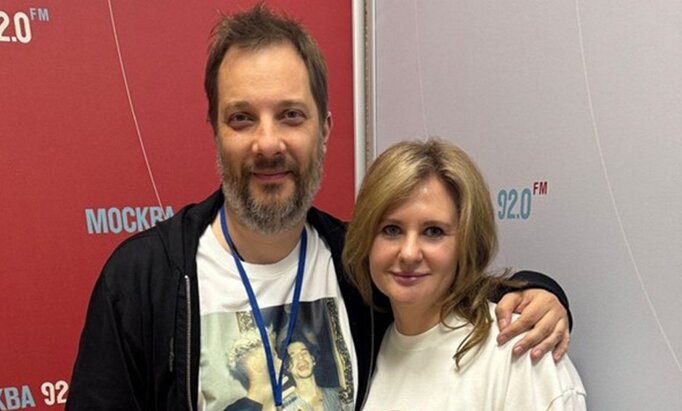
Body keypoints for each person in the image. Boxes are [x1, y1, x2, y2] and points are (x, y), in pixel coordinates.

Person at [66, 4, 573, 410]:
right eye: (242, 118)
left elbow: (449, 290)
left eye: (291, 115)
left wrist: (540, 294)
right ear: (215, 131)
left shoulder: (359, 264)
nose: (268, 143)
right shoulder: (143, 280)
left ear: (324, 129)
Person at [343, 140, 586, 410]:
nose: (409, 253)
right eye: (391, 230)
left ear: (467, 242)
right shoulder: (364, 348)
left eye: (433, 231)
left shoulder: (518, 353)